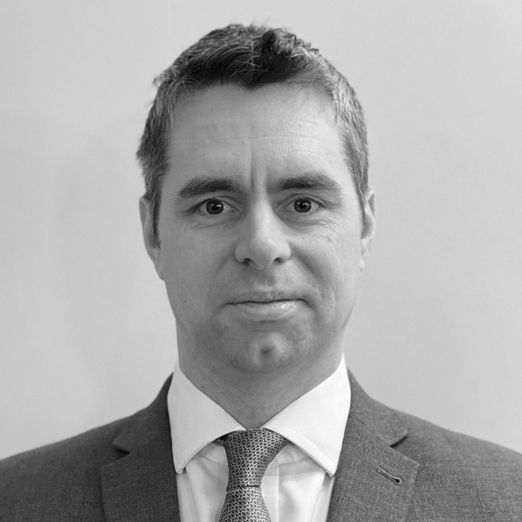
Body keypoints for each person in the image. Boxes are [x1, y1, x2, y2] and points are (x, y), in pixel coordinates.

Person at [1, 23, 521, 522]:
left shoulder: (506, 502)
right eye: (214, 206)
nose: (262, 246)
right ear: (152, 233)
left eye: (302, 203)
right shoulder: (16, 502)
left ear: (364, 226)